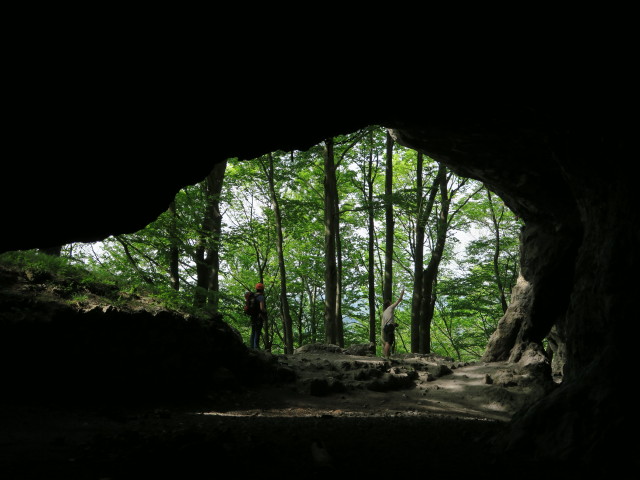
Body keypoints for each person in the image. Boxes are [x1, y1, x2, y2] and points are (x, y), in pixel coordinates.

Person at [381, 288, 404, 359]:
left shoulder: (384, 312)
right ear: (389, 304)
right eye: (391, 302)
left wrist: (394, 324)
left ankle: (387, 356)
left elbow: (386, 322)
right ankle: (385, 356)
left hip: (386, 328)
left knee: (388, 341)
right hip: (389, 327)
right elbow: (399, 300)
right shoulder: (390, 307)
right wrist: (402, 293)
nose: (391, 303)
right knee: (389, 342)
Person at [249, 282, 267, 349]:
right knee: (257, 332)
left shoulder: (252, 296)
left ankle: (251, 348)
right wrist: (265, 311)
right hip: (259, 317)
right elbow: (262, 308)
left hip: (253, 316)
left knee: (253, 332)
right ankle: (256, 348)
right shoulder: (261, 297)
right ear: (262, 289)